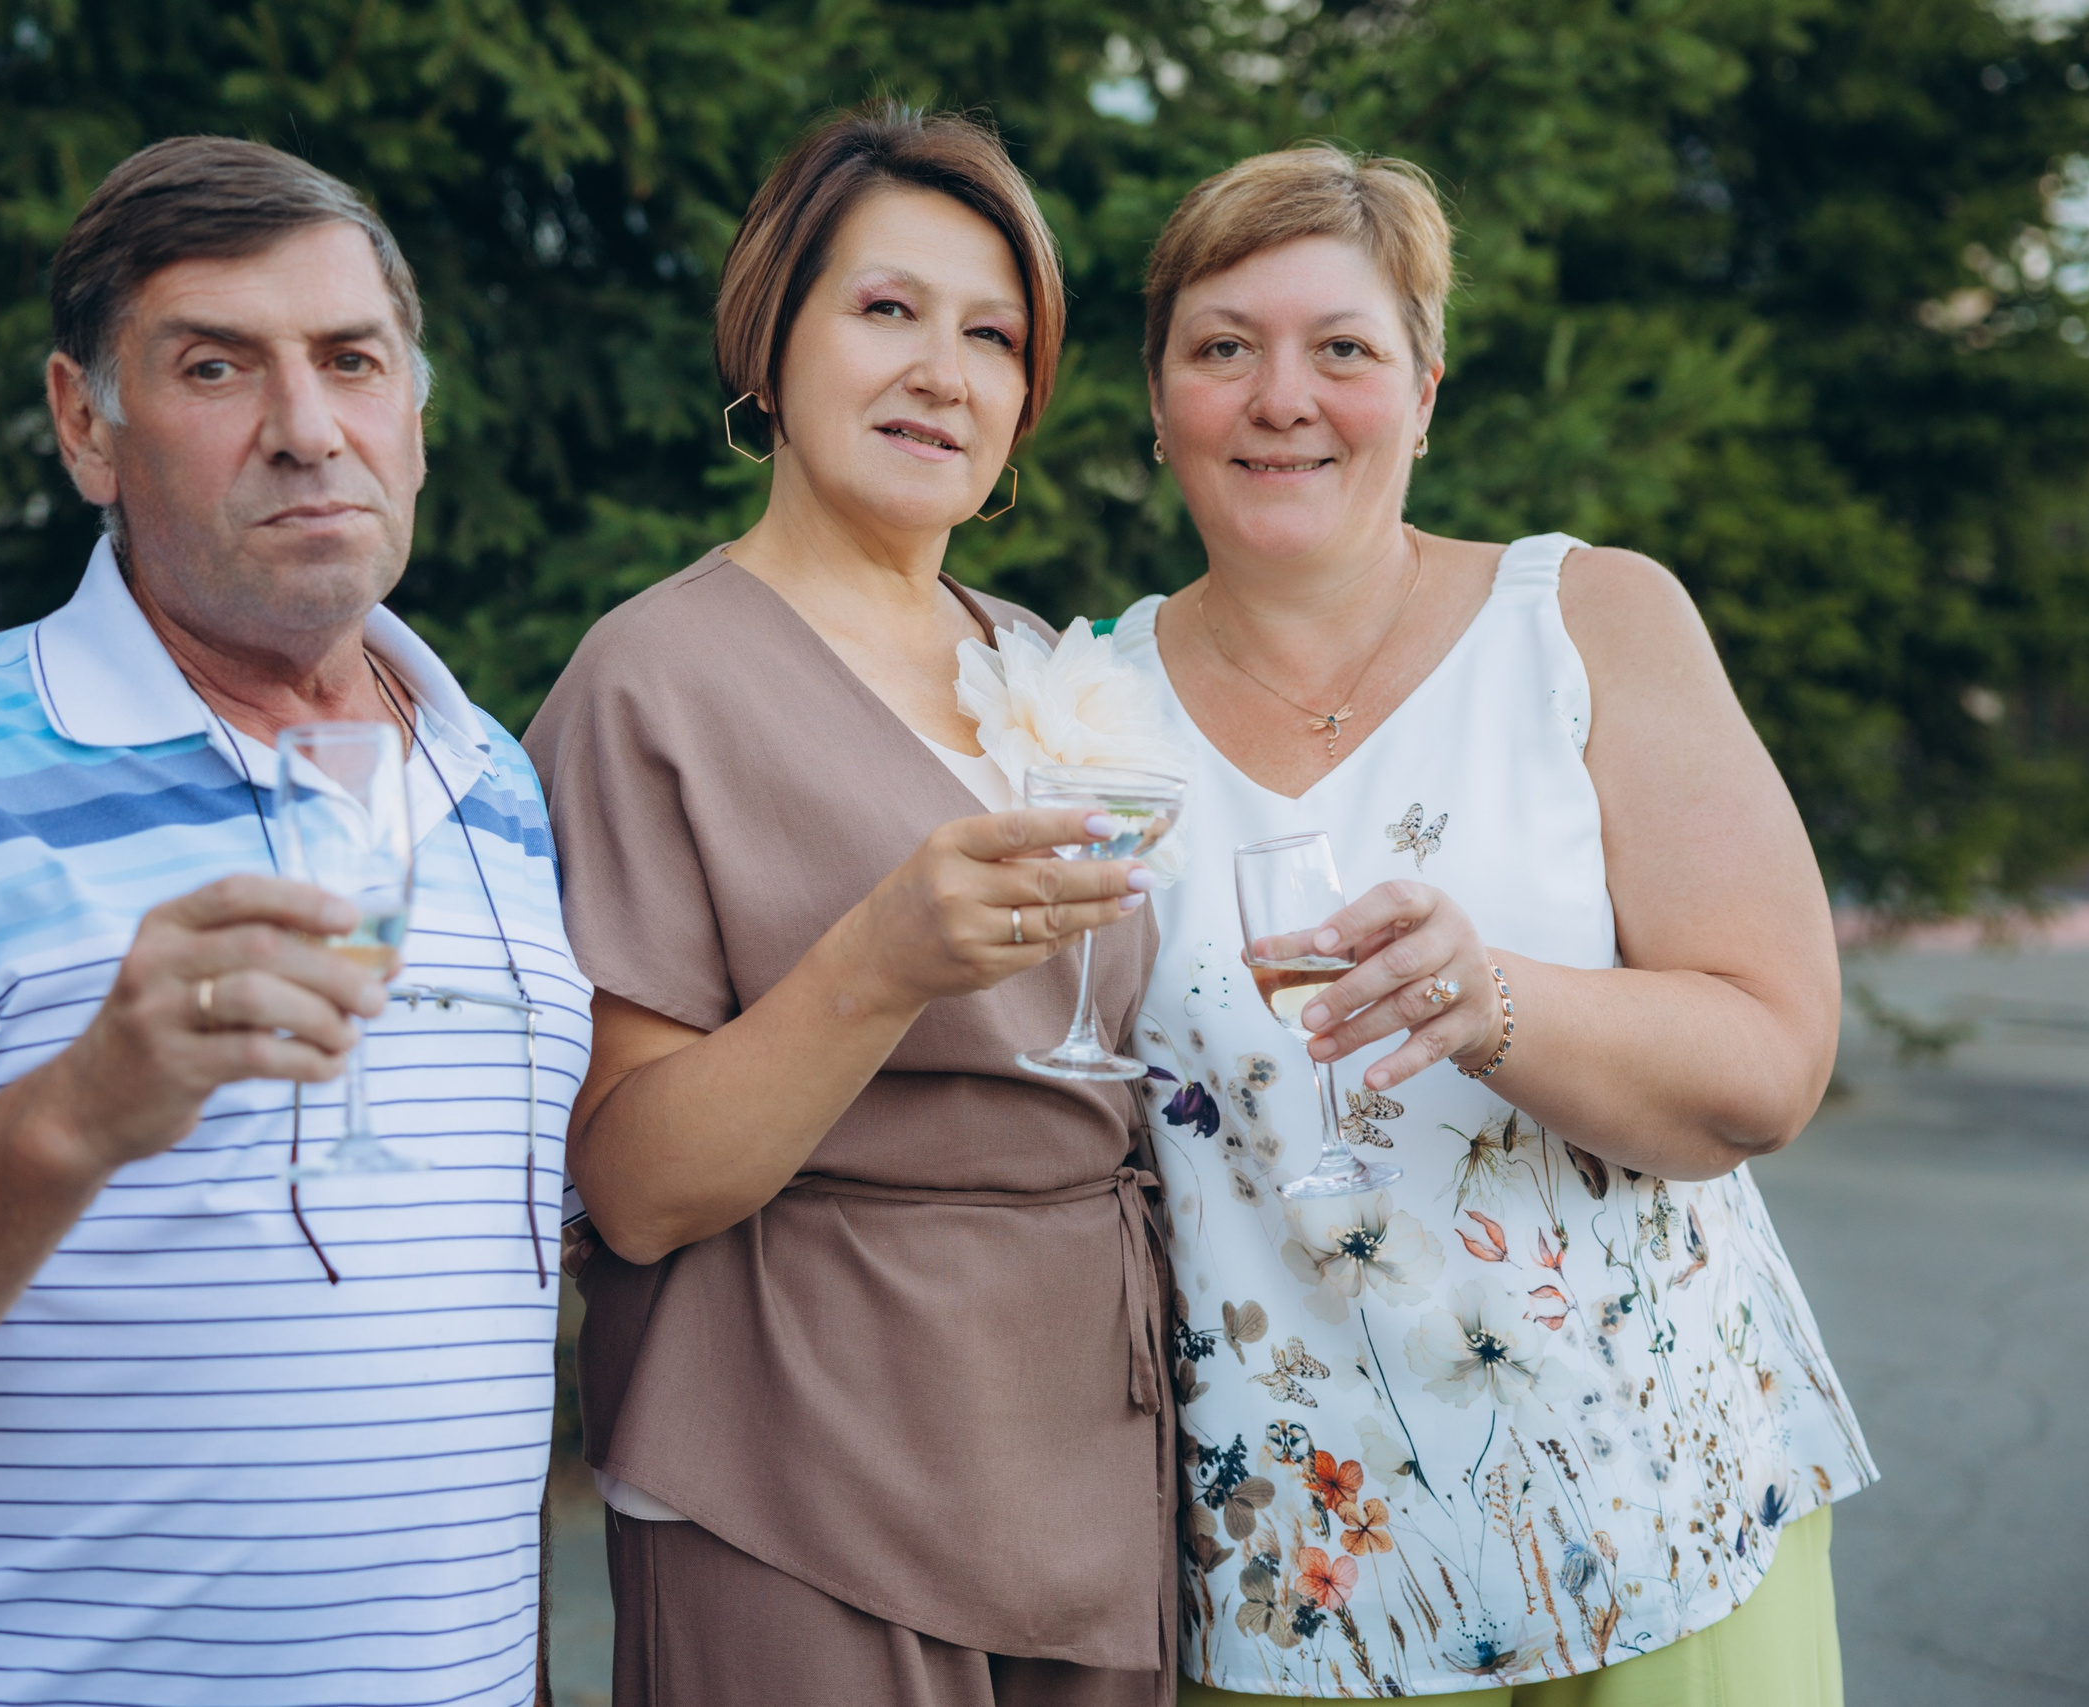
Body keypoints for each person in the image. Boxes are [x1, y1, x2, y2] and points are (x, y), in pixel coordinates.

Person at [0, 137, 589, 1707]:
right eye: (215, 368)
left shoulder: (494, 780)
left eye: (351, 361)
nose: (309, 431)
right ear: (83, 426)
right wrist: (78, 1114)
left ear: (416, 410)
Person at [1106, 147, 1876, 1704]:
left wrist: (1496, 1002)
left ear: (1427, 391)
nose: (1282, 397)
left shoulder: (1588, 622)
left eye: (1345, 349)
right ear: (1159, 394)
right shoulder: (1086, 706)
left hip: (1656, 1519)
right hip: (1302, 1586)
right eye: (1223, 346)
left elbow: (1771, 1063)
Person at [523, 104, 1175, 1706]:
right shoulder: (652, 679)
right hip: (796, 1446)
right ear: (771, 340)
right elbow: (637, 1184)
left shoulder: (1043, 664)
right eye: (885, 310)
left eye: (993, 335)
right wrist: (876, 965)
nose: (942, 374)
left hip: (1082, 1438)